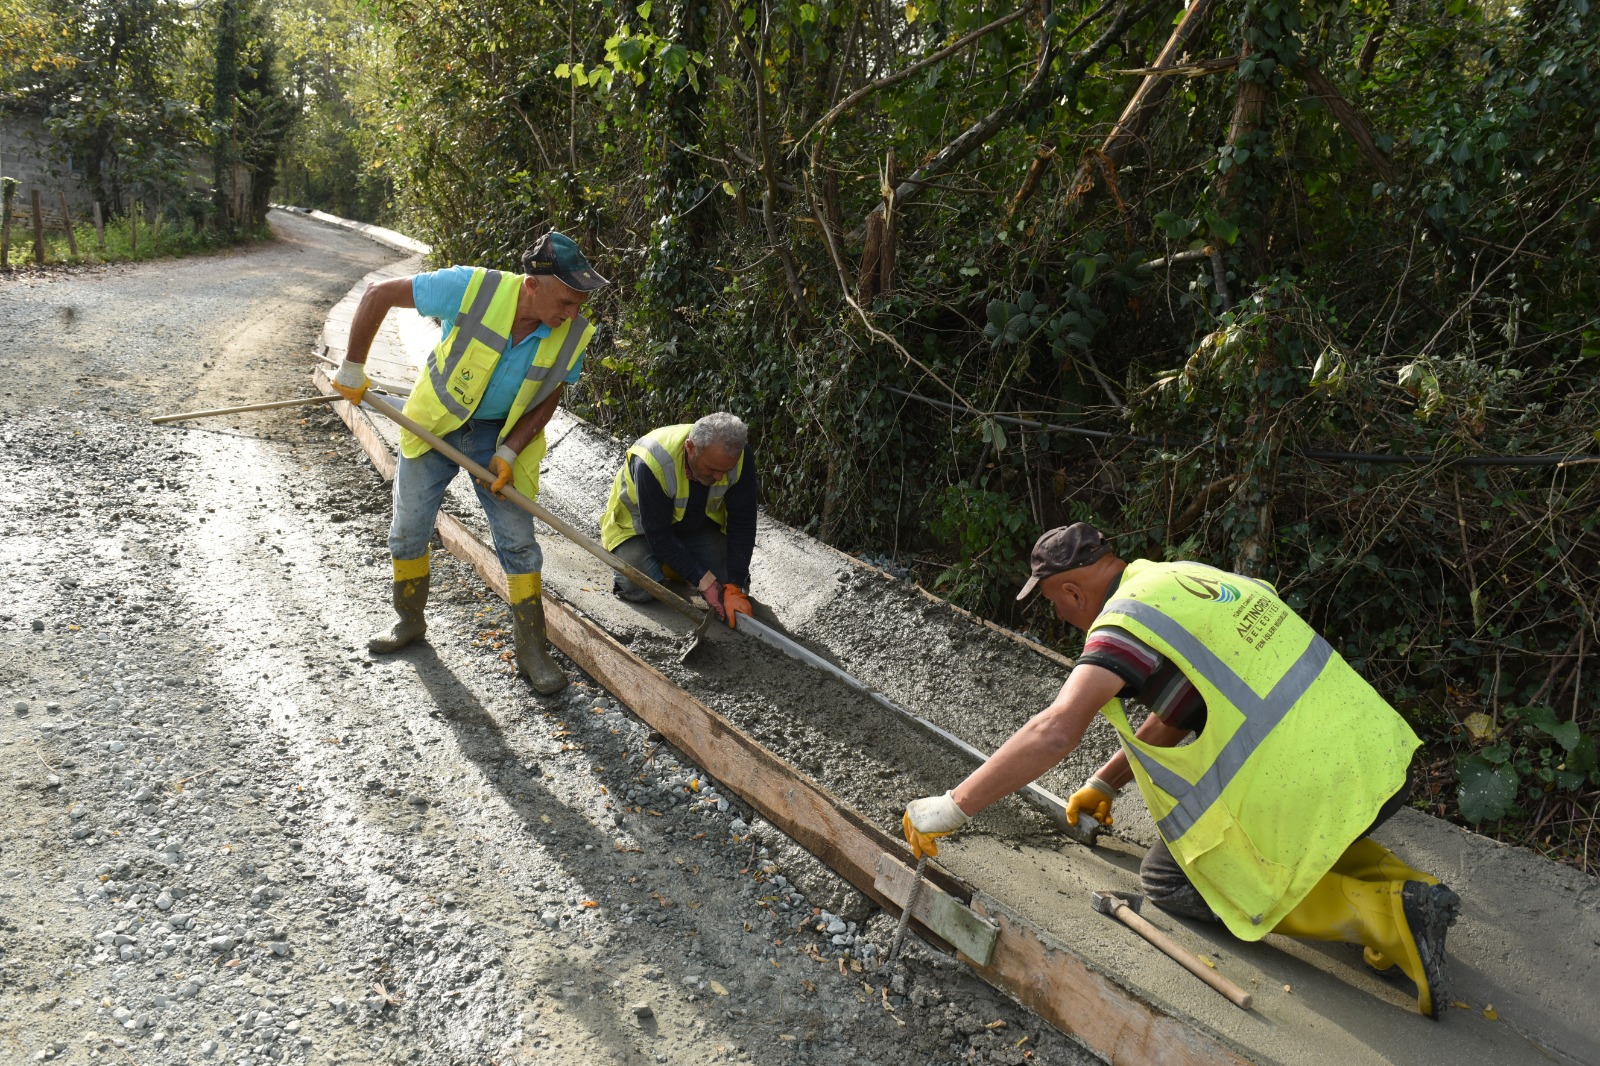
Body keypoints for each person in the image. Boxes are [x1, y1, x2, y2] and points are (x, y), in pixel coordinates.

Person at [902, 523, 1461, 1017]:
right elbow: (1183, 706)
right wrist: (1105, 783)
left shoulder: (1121, 624)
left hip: (1311, 785)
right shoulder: (1179, 579)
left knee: (1169, 878)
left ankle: (1387, 918)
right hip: (1380, 765)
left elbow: (1055, 729)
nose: (1058, 614)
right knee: (1301, 824)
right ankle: (1418, 891)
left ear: (1071, 590)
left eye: (1053, 601)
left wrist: (951, 807)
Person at [329, 230, 608, 695]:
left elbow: (552, 392)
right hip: (436, 423)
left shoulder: (573, 332)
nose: (573, 313)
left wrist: (510, 450)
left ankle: (531, 651)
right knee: (409, 527)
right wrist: (353, 367)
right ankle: (409, 623)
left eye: (580, 304)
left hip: (501, 437)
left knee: (519, 544)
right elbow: (378, 293)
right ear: (533, 285)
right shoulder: (471, 289)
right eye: (566, 302)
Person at [597, 413, 758, 627]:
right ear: (691, 448)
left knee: (728, 579)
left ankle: (677, 564)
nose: (719, 477)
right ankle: (662, 565)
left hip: (693, 527)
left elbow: (743, 522)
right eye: (712, 469)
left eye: (725, 471)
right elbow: (658, 534)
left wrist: (735, 585)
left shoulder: (739, 457)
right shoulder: (653, 460)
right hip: (639, 530)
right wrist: (702, 579)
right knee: (639, 587)